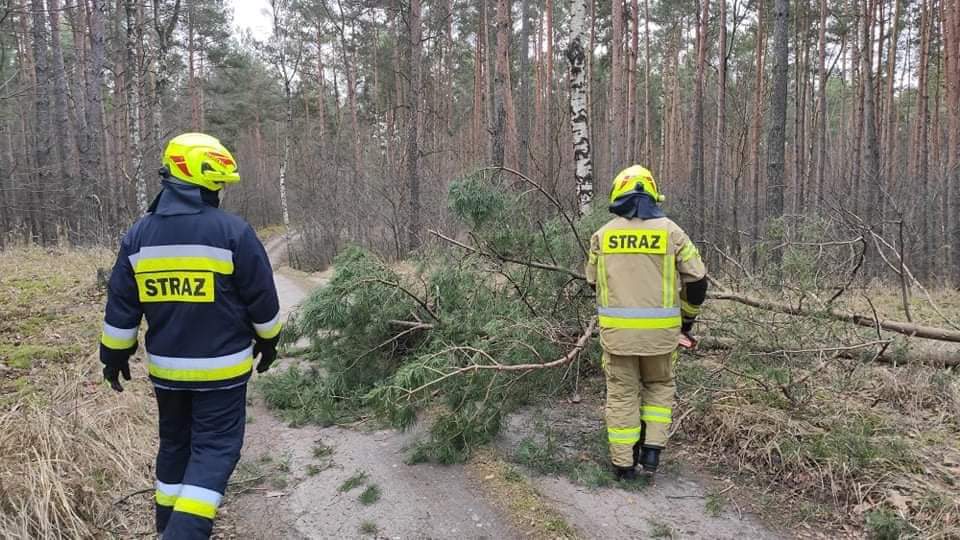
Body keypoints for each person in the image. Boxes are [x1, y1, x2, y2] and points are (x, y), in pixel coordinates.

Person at [98, 133, 282, 538]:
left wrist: (113, 356)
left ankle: (167, 527)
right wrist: (269, 341)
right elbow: (262, 299)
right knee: (215, 450)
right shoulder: (233, 232)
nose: (221, 192)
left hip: (167, 373)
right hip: (221, 372)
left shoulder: (138, 236)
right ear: (204, 180)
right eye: (219, 184)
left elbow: (122, 308)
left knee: (175, 448)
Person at [585, 165, 708, 480]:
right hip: (662, 337)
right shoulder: (672, 232)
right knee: (659, 387)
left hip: (618, 337)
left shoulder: (602, 235)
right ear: (653, 194)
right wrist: (687, 320)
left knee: (622, 394)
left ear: (618, 194)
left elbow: (592, 281)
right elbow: (698, 280)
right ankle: (651, 454)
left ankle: (623, 466)